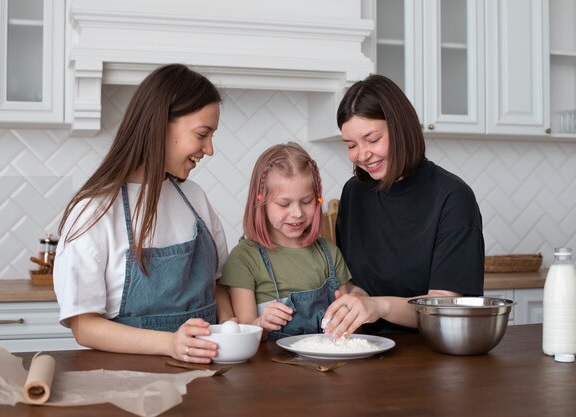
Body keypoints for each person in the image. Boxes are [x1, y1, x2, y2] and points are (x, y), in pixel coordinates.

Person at [53, 64, 233, 364]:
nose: (209, 149)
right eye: (202, 134)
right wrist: (170, 343)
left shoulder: (194, 197)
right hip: (129, 380)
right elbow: (83, 327)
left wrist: (232, 329)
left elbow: (217, 284)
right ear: (160, 124)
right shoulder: (94, 211)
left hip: (208, 372)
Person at [322, 74, 484, 337]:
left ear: (399, 128)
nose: (362, 155)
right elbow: (355, 282)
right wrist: (357, 297)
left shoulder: (452, 198)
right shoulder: (354, 193)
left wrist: (379, 306)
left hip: (432, 353)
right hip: (365, 347)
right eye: (351, 145)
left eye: (372, 140)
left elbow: (444, 307)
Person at [220, 142, 352, 340]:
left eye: (306, 201)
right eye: (284, 204)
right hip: (269, 367)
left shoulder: (330, 254)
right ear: (260, 202)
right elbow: (243, 330)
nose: (297, 213)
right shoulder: (244, 258)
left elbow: (345, 319)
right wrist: (261, 324)